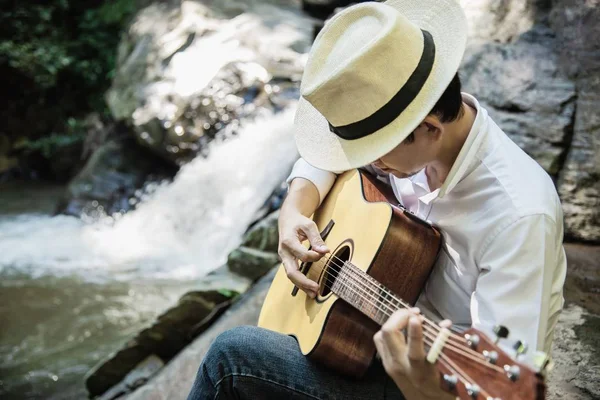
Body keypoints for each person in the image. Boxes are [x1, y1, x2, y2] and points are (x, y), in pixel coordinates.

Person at [187, 0, 567, 399]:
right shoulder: (404, 123)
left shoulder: (518, 217)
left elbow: (506, 391)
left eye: (375, 149)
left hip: (425, 382)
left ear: (429, 128)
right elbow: (322, 161)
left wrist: (421, 388)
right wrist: (294, 209)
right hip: (360, 335)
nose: (365, 162)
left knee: (231, 359)